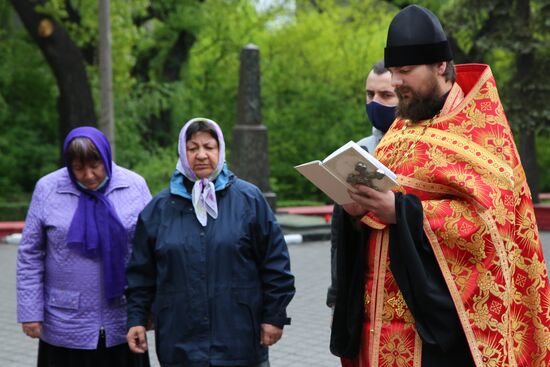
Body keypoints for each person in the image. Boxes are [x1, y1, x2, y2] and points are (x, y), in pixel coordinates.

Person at [330, 4, 550, 367]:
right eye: (393, 72)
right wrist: (354, 209)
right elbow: (378, 210)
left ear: (440, 67)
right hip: (378, 325)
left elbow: (490, 225)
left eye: (405, 72)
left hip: (438, 337)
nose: (396, 82)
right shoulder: (402, 126)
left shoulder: (480, 131)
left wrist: (401, 211)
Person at [125, 117, 295, 366]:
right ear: (182, 153)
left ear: (221, 150)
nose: (201, 155)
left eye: (209, 147)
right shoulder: (160, 209)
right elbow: (141, 273)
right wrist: (137, 318)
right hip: (179, 340)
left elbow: (275, 263)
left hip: (240, 339)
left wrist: (274, 316)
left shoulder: (249, 200)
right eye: (193, 148)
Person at [16, 126, 152, 367]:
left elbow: (149, 252)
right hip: (65, 322)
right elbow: (30, 255)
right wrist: (30, 311)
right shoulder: (48, 189)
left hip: (122, 320)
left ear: (107, 157)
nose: (88, 175)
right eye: (78, 168)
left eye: (95, 165)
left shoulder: (134, 186)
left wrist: (149, 309)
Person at [327, 60, 398, 309]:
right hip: (361, 281)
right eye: (370, 94)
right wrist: (336, 294)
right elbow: (339, 234)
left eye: (386, 95)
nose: (375, 102)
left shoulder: (420, 149)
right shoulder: (360, 151)